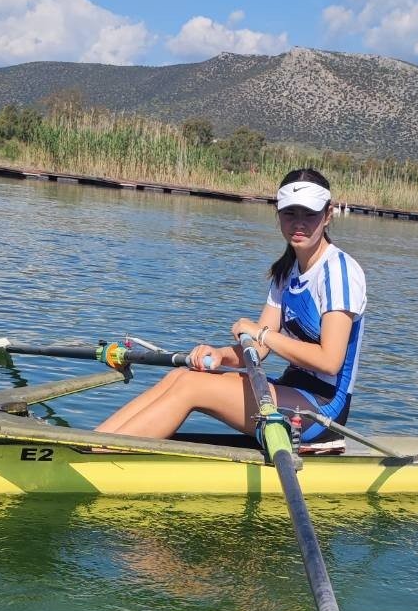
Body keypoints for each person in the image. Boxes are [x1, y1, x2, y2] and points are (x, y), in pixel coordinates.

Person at [95, 168, 365, 445]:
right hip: (290, 389)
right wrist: (221, 354)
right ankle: (89, 445)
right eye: (290, 213)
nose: (299, 223)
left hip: (324, 410)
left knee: (192, 388)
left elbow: (329, 361)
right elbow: (258, 350)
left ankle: (99, 456)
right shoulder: (287, 271)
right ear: (278, 214)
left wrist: (262, 334)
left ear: (328, 214)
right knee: (182, 375)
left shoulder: (339, 272)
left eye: (309, 214)